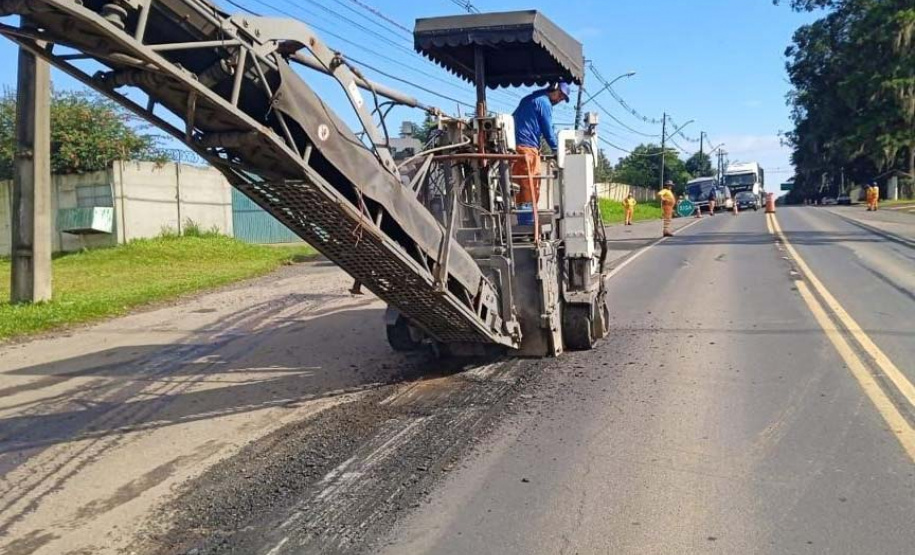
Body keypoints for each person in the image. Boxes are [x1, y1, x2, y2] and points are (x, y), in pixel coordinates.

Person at [512, 82, 570, 206]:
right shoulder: (544, 103)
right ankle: (528, 214)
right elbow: (548, 131)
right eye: (560, 95)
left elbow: (513, 119)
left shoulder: (528, 99)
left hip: (514, 148)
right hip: (528, 148)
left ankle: (518, 213)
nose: (559, 100)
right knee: (531, 185)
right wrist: (558, 149)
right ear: (554, 88)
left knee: (517, 185)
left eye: (562, 98)